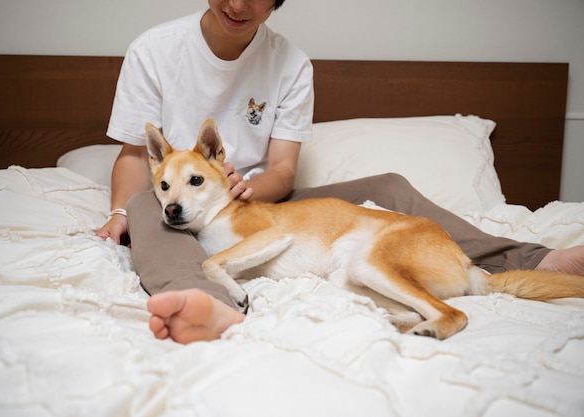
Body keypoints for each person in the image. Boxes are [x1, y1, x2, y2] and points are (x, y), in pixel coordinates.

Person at [97, 0, 584, 345]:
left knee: (388, 186)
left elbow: (284, 169)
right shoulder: (154, 50)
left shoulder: (290, 63)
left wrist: (245, 188)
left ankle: (533, 258)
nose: (238, 3)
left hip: (260, 198)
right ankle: (209, 303)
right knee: (145, 205)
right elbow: (136, 156)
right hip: (185, 201)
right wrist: (121, 210)